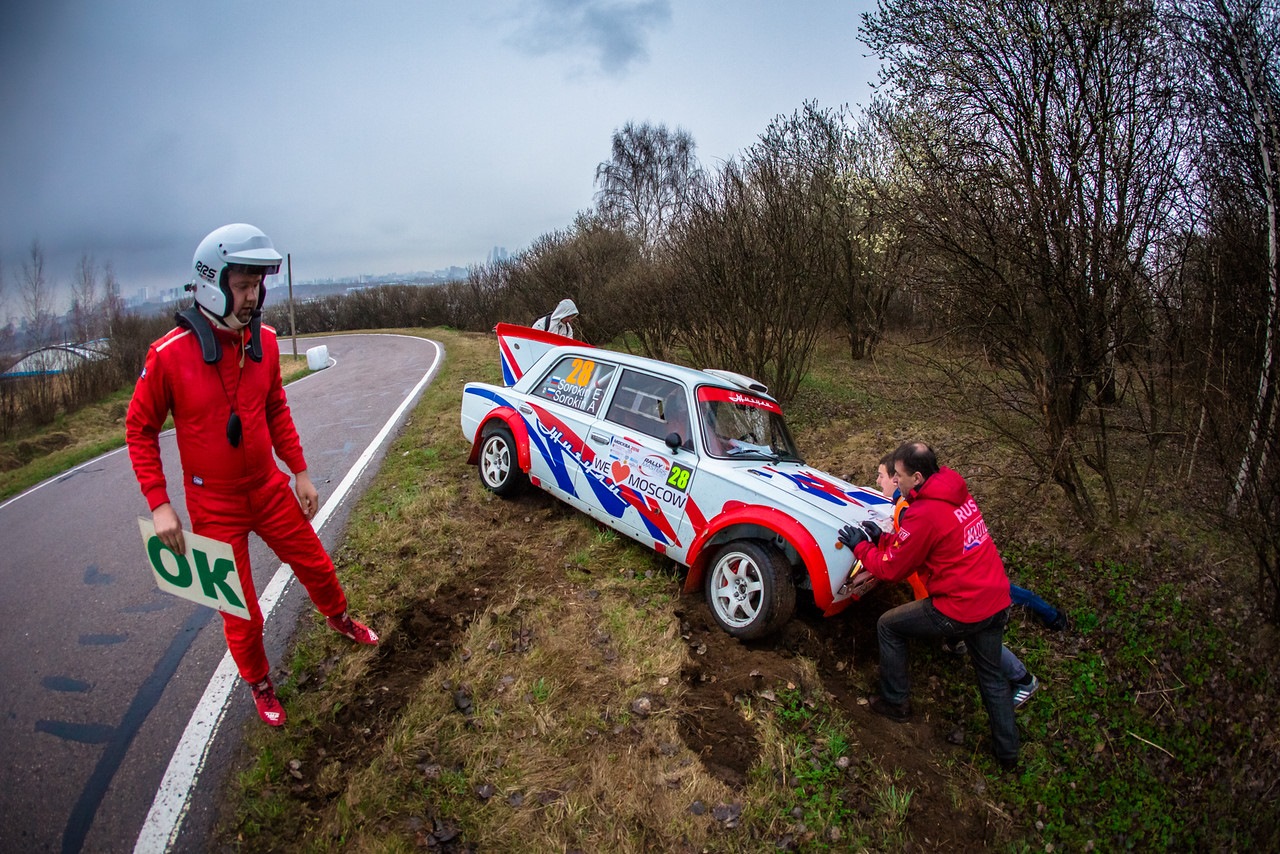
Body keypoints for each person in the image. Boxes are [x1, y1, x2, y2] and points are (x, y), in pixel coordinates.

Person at [126, 223, 378, 728]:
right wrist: (159, 505)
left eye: (257, 285)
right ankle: (260, 683)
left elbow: (276, 408)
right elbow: (139, 430)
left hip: (267, 487)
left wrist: (300, 472)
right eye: (242, 286)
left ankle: (340, 619)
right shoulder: (168, 355)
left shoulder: (261, 341)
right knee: (240, 612)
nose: (252, 296)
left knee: (317, 566)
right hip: (212, 504)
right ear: (211, 284)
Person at [840, 442, 1020, 769]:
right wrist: (880, 540)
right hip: (995, 599)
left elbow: (893, 569)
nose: (895, 479)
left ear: (918, 476)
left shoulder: (925, 512)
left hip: (960, 606)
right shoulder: (953, 489)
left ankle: (895, 702)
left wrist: (862, 548)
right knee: (991, 676)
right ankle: (1008, 756)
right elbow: (919, 545)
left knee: (889, 625)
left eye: (899, 475)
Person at [872, 451, 1041, 709]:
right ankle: (1011, 724)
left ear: (912, 478)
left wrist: (868, 548)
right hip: (983, 589)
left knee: (900, 626)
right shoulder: (951, 493)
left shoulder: (913, 509)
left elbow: (900, 562)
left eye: (886, 476)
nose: (881, 481)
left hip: (961, 597)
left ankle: (1022, 678)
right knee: (985, 660)